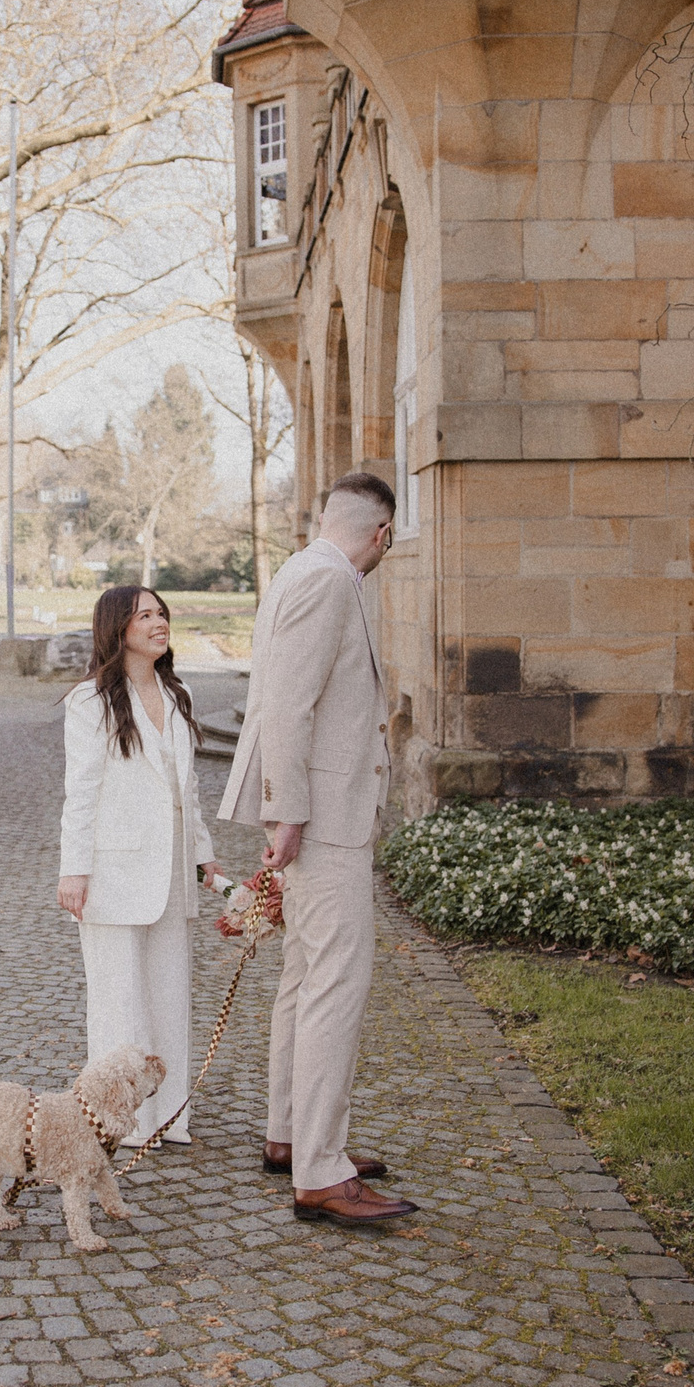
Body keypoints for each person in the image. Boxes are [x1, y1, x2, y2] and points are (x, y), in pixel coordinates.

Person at [219, 472, 416, 1225]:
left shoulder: (303, 571)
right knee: (335, 981)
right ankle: (321, 1171)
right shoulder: (331, 580)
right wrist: (287, 813)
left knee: (304, 977)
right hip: (324, 817)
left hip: (318, 812)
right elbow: (290, 706)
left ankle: (293, 1136)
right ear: (381, 534)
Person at [58, 586, 219, 1146]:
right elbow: (80, 792)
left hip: (172, 871)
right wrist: (73, 870)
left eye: (162, 613)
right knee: (116, 1000)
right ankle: (115, 1120)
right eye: (145, 615)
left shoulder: (179, 694)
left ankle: (167, 1116)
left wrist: (203, 854)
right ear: (117, 628)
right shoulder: (90, 701)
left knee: (170, 997)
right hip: (113, 872)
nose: (159, 623)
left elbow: (187, 789)